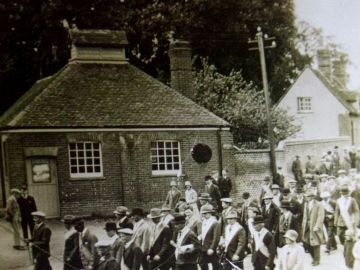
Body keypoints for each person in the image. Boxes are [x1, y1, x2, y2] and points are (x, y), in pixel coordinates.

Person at [302, 190, 325, 266]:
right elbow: (305, 216)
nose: (307, 198)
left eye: (308, 196)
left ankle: (316, 260)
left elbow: (320, 216)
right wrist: (303, 225)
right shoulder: (306, 204)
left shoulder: (318, 204)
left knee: (316, 243)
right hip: (307, 226)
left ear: (312, 197)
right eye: (306, 196)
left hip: (314, 226)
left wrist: (317, 226)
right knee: (307, 243)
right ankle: (313, 258)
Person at [198, 204, 221, 270]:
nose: (203, 215)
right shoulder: (204, 221)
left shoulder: (215, 222)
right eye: (203, 214)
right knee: (201, 263)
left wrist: (212, 248)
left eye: (205, 213)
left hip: (210, 247)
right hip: (203, 246)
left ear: (210, 213)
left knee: (215, 264)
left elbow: (216, 238)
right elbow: (203, 233)